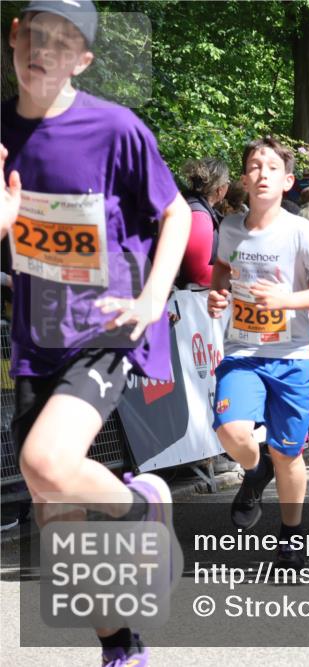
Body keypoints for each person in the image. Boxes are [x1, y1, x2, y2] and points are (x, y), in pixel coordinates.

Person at [2, 2, 192, 665]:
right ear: (14, 38)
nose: (44, 50)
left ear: (81, 60)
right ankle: (122, 645)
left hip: (106, 328)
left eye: (63, 42)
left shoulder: (114, 128)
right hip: (34, 339)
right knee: (57, 513)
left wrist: (150, 297)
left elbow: (175, 214)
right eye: (35, 35)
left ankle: (142, 507)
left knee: (44, 464)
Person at [207, 137, 309, 567]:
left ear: (286, 182)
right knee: (231, 432)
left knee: (288, 454)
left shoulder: (299, 230)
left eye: (270, 168)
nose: (261, 173)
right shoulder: (229, 227)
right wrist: (218, 295)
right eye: (253, 166)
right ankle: (253, 470)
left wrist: (284, 300)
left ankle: (291, 534)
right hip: (243, 351)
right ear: (244, 179)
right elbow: (222, 273)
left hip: (293, 357)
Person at [178, 158, 229, 288]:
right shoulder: (200, 217)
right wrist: (234, 276)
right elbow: (198, 273)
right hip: (187, 299)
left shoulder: (190, 204)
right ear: (220, 189)